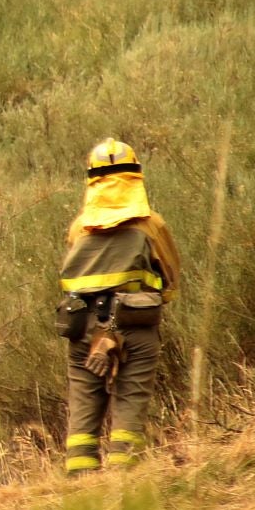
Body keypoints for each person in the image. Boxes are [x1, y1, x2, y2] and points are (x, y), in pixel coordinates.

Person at [56, 138, 183, 476]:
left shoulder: (78, 228)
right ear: (136, 175)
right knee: (131, 399)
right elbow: (170, 278)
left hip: (82, 327)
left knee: (84, 402)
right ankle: (124, 477)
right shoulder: (150, 225)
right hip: (136, 324)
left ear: (92, 179)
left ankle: (79, 482)